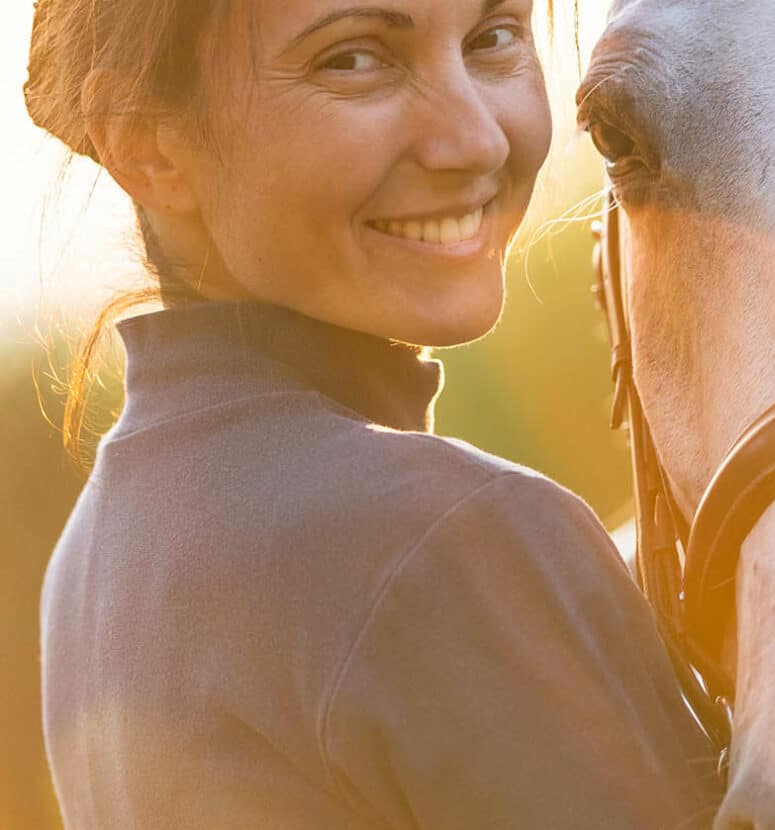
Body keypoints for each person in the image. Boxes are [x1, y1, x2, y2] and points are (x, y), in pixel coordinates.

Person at [26, 1, 723, 827]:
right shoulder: (453, 538)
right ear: (144, 141)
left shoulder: (106, 552)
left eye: (492, 39)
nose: (478, 141)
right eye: (353, 60)